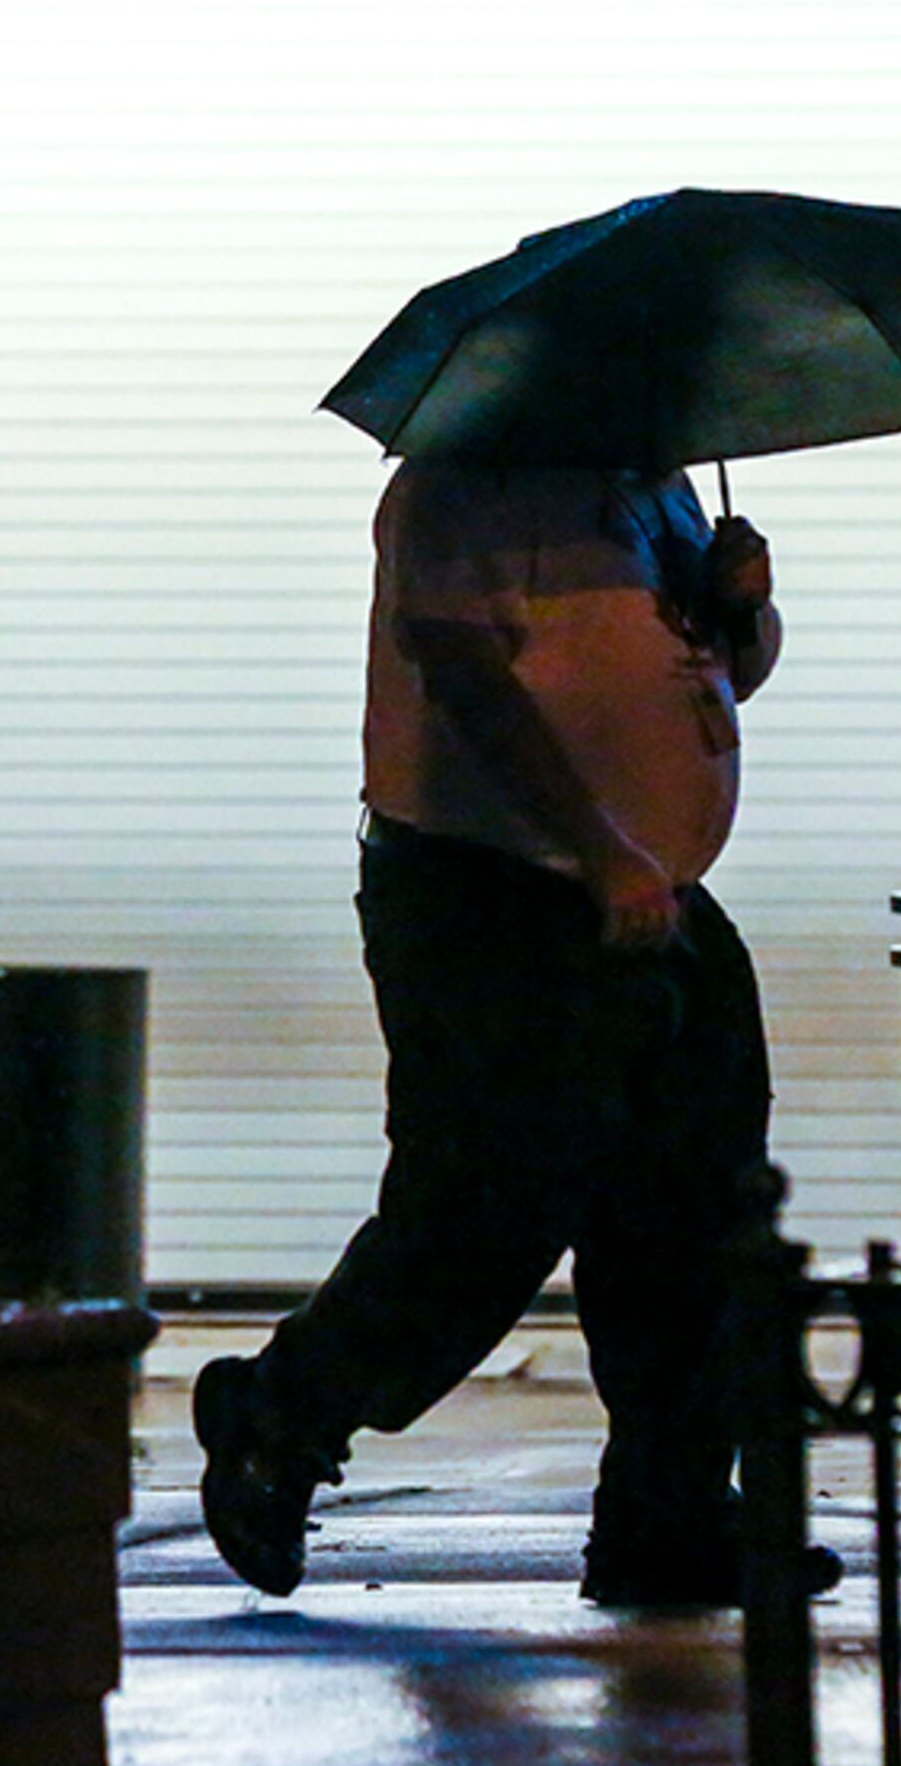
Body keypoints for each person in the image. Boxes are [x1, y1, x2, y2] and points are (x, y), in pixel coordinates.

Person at [193, 454, 814, 1610]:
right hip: (493, 896)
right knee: (484, 1209)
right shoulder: (469, 479)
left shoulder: (654, 482)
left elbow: (716, 672)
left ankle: (670, 1514)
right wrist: (596, 846)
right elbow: (464, 677)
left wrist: (745, 608)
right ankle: (281, 1412)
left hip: (653, 893)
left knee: (694, 1205)